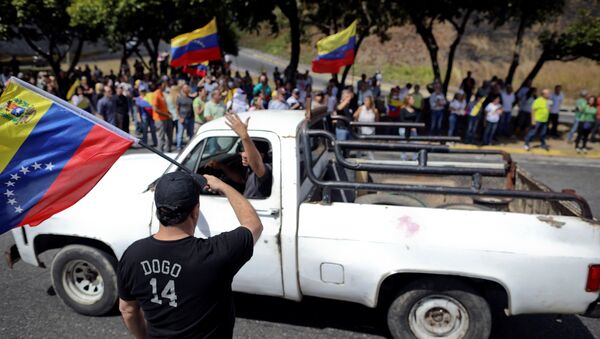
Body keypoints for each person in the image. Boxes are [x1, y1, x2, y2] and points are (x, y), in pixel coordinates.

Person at [117, 171, 263, 338]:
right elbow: (253, 225)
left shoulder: (133, 255)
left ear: (158, 210)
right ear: (195, 211)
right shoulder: (215, 253)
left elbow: (127, 309)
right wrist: (223, 187)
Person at [207, 114, 273, 199]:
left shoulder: (265, 170)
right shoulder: (250, 169)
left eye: (248, 151)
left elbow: (256, 164)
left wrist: (244, 136)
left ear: (261, 155)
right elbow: (241, 180)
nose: (243, 155)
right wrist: (222, 166)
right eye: (242, 150)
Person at [152, 80, 173, 152]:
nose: (165, 86)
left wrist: (168, 112)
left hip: (166, 118)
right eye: (164, 84)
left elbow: (162, 107)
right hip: (160, 119)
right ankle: (160, 152)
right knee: (161, 137)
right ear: (160, 85)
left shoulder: (162, 94)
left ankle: (168, 151)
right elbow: (155, 109)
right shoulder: (156, 94)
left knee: (169, 136)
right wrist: (166, 114)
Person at [176, 84, 196, 150]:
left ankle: (191, 147)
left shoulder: (191, 97)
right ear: (182, 89)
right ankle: (178, 147)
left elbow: (197, 91)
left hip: (191, 118)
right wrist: (179, 117)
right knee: (180, 134)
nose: (187, 89)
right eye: (185, 88)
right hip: (182, 118)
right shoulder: (179, 98)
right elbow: (177, 108)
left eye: (188, 87)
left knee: (191, 134)